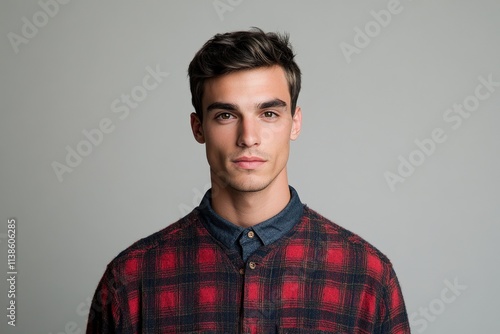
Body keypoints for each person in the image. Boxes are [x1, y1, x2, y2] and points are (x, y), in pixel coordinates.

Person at [86, 28, 410, 333]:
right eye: (226, 115)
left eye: (269, 114)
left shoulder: (367, 276)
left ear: (294, 123)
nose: (248, 137)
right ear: (198, 128)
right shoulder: (131, 280)